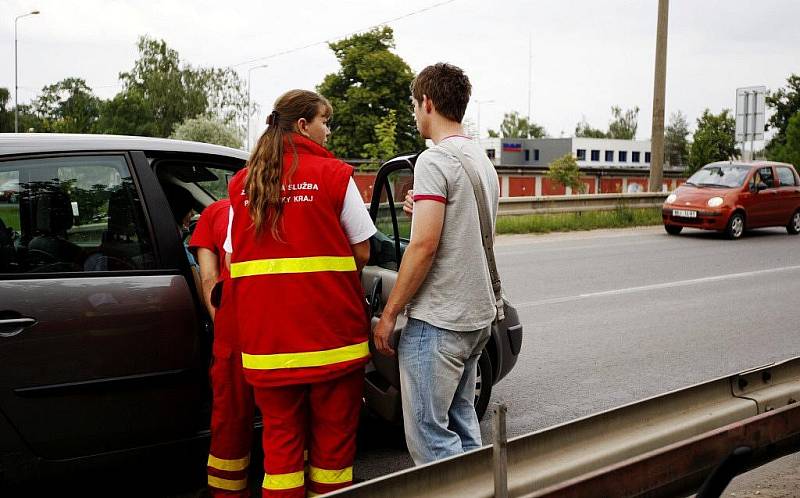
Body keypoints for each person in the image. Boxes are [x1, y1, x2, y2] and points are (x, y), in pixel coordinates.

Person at [224, 89, 376, 498]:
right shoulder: (334, 176)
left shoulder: (243, 184)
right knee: (333, 450)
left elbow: (232, 259)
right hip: (332, 340)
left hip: (268, 345)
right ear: (304, 125)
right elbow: (362, 249)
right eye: (325, 121)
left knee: (280, 451)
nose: (329, 131)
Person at [373, 63, 500, 465]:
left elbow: (424, 246)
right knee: (463, 424)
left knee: (430, 436)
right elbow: (461, 223)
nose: (415, 114)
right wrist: (420, 206)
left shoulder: (433, 161)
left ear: (427, 103)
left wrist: (390, 313)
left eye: (415, 105)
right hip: (477, 317)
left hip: (440, 321)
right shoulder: (480, 159)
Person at [189, 198, 255, 497]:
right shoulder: (291, 202)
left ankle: (227, 492)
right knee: (288, 415)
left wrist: (224, 326)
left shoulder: (215, 212)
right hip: (281, 324)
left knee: (230, 417)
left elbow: (209, 278)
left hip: (233, 326)